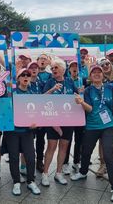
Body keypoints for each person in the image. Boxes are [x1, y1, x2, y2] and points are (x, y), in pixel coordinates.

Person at [71, 65, 113, 203]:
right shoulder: (88, 90)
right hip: (91, 126)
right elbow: (89, 109)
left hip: (108, 126)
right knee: (86, 151)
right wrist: (82, 102)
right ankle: (83, 172)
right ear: (90, 76)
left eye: (99, 72)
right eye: (93, 72)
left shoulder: (111, 89)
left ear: (103, 75)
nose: (96, 74)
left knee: (108, 154)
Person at [41, 58, 78, 186]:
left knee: (64, 146)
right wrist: (52, 89)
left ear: (63, 69)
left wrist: (81, 93)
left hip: (68, 119)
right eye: (52, 68)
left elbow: (77, 95)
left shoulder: (69, 81)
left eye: (56, 67)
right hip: (53, 118)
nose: (53, 70)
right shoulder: (49, 81)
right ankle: (45, 174)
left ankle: (58, 173)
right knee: (51, 146)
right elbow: (42, 98)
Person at [7, 68, 41, 196]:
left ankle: (31, 181)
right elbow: (5, 109)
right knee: (14, 157)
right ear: (18, 78)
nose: (26, 76)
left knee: (31, 157)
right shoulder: (12, 93)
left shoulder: (33, 93)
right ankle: (16, 182)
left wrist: (36, 124)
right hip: (13, 131)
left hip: (27, 131)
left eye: (28, 74)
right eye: (23, 75)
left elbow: (37, 112)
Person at [62, 61, 85, 175]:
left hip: (80, 113)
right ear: (69, 69)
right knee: (68, 139)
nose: (75, 68)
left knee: (79, 139)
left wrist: (82, 91)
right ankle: (65, 162)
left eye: (76, 66)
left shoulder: (83, 80)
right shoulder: (66, 80)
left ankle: (77, 161)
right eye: (72, 66)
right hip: (68, 114)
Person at [35, 53, 52, 172]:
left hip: (48, 109)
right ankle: (35, 160)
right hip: (34, 109)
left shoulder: (51, 75)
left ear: (48, 62)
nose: (43, 61)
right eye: (41, 58)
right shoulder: (31, 74)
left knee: (46, 137)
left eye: (45, 59)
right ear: (37, 60)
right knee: (35, 138)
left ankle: (42, 160)